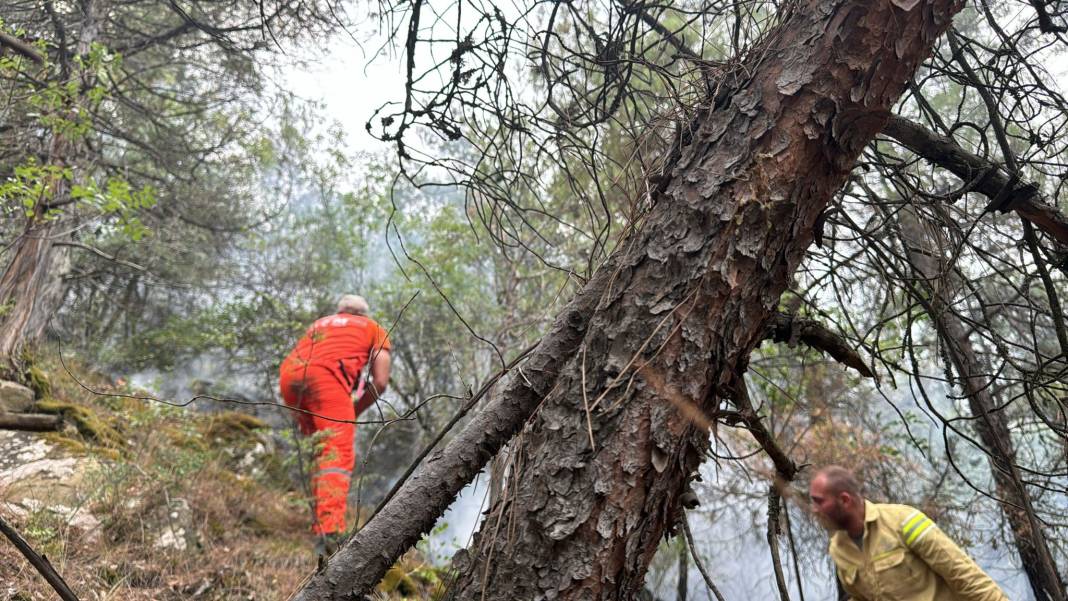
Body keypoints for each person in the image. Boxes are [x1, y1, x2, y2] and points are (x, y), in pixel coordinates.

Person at [279, 294, 391, 554]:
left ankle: (315, 515)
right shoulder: (373, 328)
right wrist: (353, 411)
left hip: (290, 376)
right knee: (336, 453)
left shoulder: (320, 323)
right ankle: (329, 532)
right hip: (325, 381)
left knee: (318, 449)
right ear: (362, 314)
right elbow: (381, 382)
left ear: (340, 311)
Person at [809, 465, 1009, 601]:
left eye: (819, 501)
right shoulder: (838, 549)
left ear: (845, 500)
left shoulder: (903, 521)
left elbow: (964, 575)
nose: (814, 510)